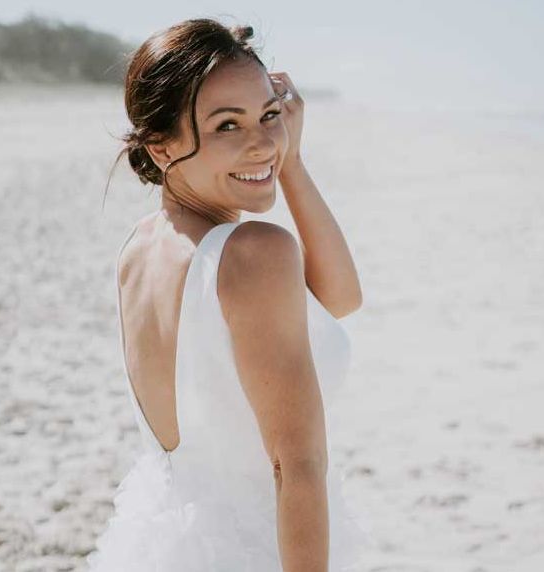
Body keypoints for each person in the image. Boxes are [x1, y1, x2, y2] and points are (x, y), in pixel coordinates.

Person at [87, 17, 371, 572]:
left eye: (269, 115)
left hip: (165, 544)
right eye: (226, 126)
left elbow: (336, 299)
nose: (262, 142)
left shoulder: (140, 248)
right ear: (162, 146)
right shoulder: (254, 253)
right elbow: (299, 468)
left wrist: (290, 162)